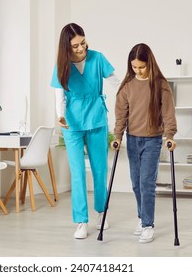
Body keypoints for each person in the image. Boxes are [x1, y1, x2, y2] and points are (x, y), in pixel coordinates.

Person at [50, 23, 120, 239]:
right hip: (72, 124)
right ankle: (81, 221)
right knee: (78, 173)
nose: (81, 48)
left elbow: (117, 83)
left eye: (83, 42)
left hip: (97, 120)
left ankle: (102, 212)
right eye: (75, 46)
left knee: (100, 170)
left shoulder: (97, 58)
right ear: (66, 47)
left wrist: (132, 99)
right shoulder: (61, 65)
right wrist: (60, 115)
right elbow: (59, 95)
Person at [112, 43, 177, 244]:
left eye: (142, 67)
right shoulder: (127, 87)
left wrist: (170, 136)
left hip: (153, 140)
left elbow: (168, 113)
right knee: (135, 183)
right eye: (134, 67)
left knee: (146, 183)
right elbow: (121, 116)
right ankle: (141, 218)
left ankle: (148, 225)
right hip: (132, 139)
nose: (138, 70)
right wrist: (117, 136)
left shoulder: (160, 85)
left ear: (150, 63)